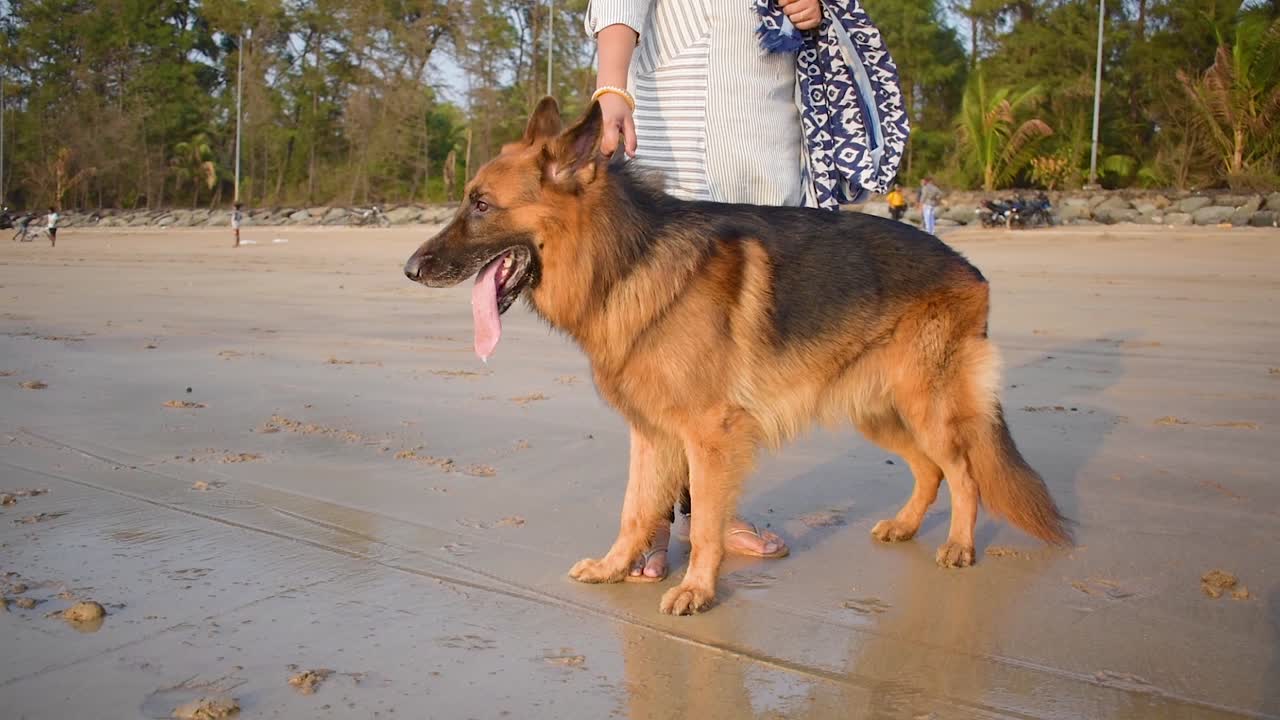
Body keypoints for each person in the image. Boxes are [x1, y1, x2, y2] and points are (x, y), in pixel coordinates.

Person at [585, 0, 907, 581]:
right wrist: (613, 89)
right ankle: (650, 524)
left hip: (766, 156)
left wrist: (811, 9)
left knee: (729, 373)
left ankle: (710, 519)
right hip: (671, 154)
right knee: (654, 365)